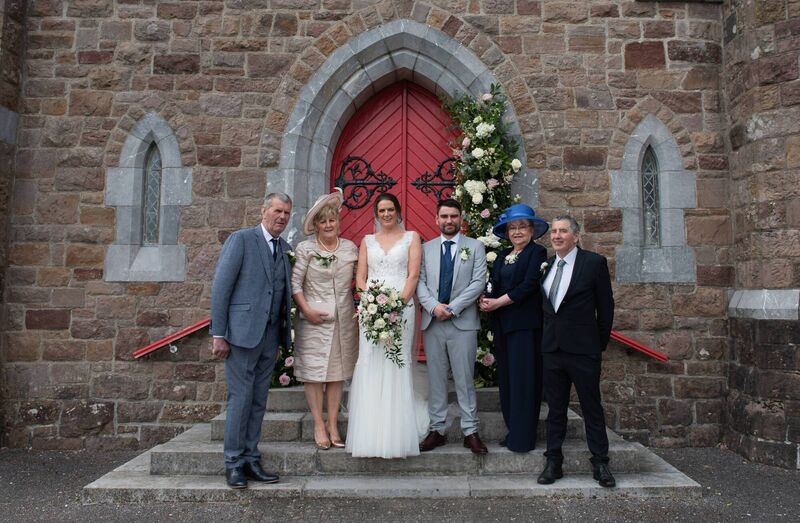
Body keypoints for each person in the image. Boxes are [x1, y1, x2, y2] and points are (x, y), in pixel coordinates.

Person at [209, 192, 293, 489]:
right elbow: (221, 287)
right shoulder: (242, 240)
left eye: (286, 213)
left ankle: (251, 458)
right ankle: (233, 463)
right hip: (240, 336)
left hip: (269, 338)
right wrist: (219, 334)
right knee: (240, 400)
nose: (282, 217)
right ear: (263, 210)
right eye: (277, 211)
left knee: (258, 401)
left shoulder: (285, 248)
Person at [346, 192, 428, 458]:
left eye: (390, 209)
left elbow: (413, 274)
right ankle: (370, 431)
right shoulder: (367, 241)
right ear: (376, 214)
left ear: (398, 210)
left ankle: (396, 432)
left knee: (396, 362)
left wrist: (395, 306)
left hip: (401, 309)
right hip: (371, 310)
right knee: (370, 361)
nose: (386, 214)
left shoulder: (412, 238)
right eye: (381, 211)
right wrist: (372, 302)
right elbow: (360, 277)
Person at [536, 215, 616, 488]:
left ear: (576, 236)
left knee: (591, 407)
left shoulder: (593, 263)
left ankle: (601, 463)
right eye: (554, 232)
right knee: (555, 409)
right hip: (552, 350)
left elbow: (606, 309)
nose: (557, 236)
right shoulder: (546, 266)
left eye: (563, 231)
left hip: (583, 351)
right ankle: (553, 461)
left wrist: (597, 344)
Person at [417, 198, 489, 455]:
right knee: (436, 379)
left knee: (464, 379)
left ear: (461, 219)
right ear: (436, 219)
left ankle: (471, 431)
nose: (449, 221)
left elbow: (478, 282)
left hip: (463, 323)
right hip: (433, 321)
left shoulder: (475, 247)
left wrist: (453, 307)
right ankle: (437, 430)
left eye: (454, 216)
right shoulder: (425, 248)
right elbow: (419, 282)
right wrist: (434, 307)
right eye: (444, 216)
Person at [291, 190, 358, 450]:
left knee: (336, 373)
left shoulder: (350, 248)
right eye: (323, 221)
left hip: (343, 320)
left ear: (338, 222)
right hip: (313, 320)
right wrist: (306, 309)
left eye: (332, 221)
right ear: (316, 225)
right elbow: (295, 284)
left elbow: (361, 279)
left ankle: (333, 423)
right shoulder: (305, 249)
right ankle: (318, 423)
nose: (328, 225)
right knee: (314, 374)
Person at [479, 204, 549, 453]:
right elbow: (493, 283)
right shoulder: (501, 256)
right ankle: (513, 430)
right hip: (503, 326)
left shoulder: (537, 253)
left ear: (532, 229)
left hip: (526, 327)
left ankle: (523, 437)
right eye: (512, 227)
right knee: (508, 380)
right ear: (506, 231)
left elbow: (529, 285)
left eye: (522, 227)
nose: (517, 232)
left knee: (525, 380)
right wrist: (487, 300)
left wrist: (499, 301)